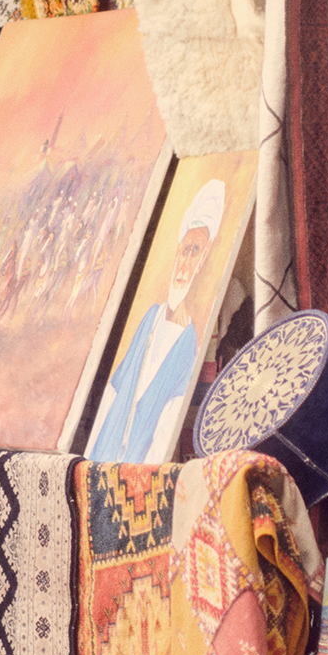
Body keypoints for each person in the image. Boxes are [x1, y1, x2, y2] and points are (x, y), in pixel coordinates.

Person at [88, 178, 225, 464]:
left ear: (202, 262)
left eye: (195, 253)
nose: (185, 264)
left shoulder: (187, 344)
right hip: (103, 456)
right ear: (176, 252)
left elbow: (166, 428)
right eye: (184, 250)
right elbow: (115, 388)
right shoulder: (150, 316)